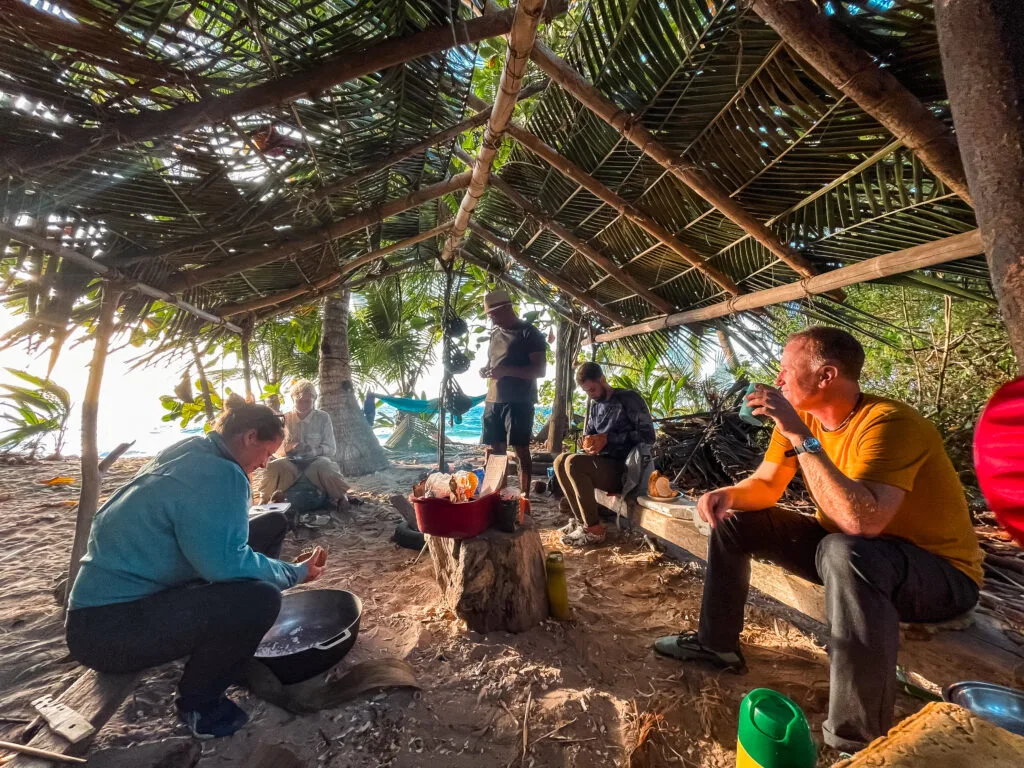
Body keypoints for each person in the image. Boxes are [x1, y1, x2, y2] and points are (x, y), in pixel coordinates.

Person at [652, 327, 983, 751]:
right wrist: (729, 494)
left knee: (845, 549)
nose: (779, 379)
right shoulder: (802, 419)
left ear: (826, 375)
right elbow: (769, 485)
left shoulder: (890, 423)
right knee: (739, 522)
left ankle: (856, 741)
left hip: (938, 574)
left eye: (787, 370)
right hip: (852, 554)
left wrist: (798, 434)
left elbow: (862, 521)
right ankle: (717, 646)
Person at [66, 395, 325, 739]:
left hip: (109, 613)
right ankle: (200, 707)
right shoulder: (222, 473)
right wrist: (294, 573)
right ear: (249, 437)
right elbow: (226, 565)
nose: (264, 465)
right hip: (110, 631)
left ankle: (231, 642)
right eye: (266, 453)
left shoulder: (192, 449)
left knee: (271, 524)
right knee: (259, 599)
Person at [554, 362, 656, 547]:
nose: (591, 395)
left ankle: (594, 530)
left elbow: (649, 436)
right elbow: (592, 435)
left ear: (602, 380)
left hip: (627, 469)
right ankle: (582, 522)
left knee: (574, 463)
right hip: (604, 464)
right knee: (560, 460)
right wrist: (587, 442)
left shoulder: (628, 399)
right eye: (586, 392)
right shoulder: (596, 406)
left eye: (592, 389)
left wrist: (609, 438)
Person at [479, 289, 547, 497]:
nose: (491, 320)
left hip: (519, 401)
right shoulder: (495, 333)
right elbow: (494, 362)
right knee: (495, 450)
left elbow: (540, 370)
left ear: (507, 308)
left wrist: (506, 371)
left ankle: (524, 496)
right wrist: (485, 369)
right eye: (489, 316)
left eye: (494, 315)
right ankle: (498, 495)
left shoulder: (529, 333)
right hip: (493, 400)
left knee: (520, 449)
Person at [257, 379, 350, 507]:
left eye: (307, 401)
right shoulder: (285, 418)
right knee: (274, 466)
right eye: (299, 401)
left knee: (327, 466)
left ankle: (342, 496)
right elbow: (276, 450)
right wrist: (289, 448)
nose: (303, 404)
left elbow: (331, 448)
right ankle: (264, 499)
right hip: (290, 463)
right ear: (293, 399)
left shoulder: (323, 418)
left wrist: (313, 450)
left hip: (315, 461)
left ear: (314, 400)